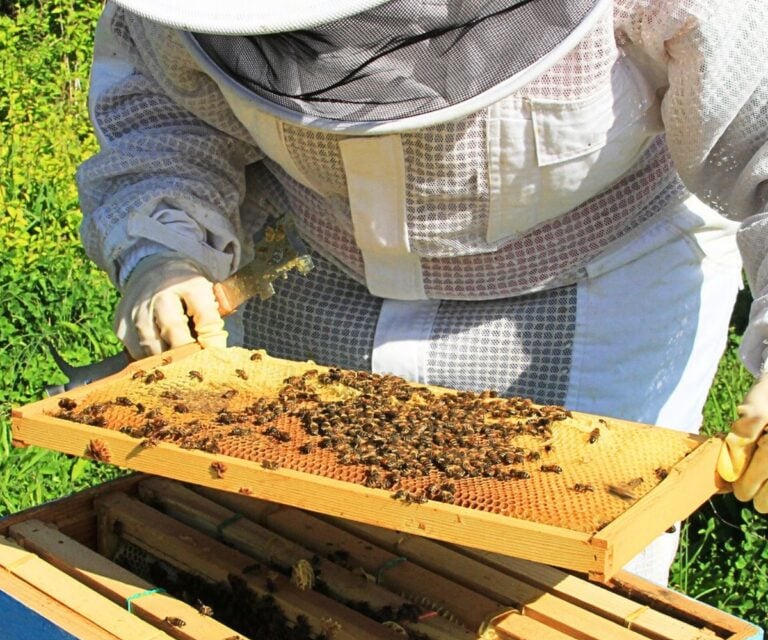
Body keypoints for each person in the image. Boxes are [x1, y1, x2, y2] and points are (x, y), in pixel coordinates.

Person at [76, 0, 768, 586]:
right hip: (316, 267)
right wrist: (164, 249)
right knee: (281, 550)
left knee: (561, 581)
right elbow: (165, 110)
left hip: (592, 279)